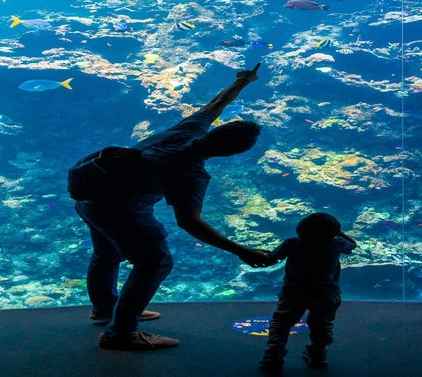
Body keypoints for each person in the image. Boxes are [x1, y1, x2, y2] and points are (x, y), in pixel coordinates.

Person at [75, 63, 276, 351]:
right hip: (121, 213)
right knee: (155, 263)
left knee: (107, 254)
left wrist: (244, 80)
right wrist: (241, 251)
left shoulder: (185, 130)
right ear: (232, 154)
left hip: (89, 199)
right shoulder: (192, 174)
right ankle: (120, 332)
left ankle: (106, 308)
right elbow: (189, 222)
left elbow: (218, 103)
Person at [259, 212, 357, 371]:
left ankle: (273, 357)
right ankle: (318, 356)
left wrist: (258, 255)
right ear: (334, 232)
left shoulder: (292, 243)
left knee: (281, 324)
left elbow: (272, 257)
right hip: (326, 294)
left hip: (293, 293)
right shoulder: (336, 243)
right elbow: (352, 244)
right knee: (322, 325)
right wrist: (337, 233)